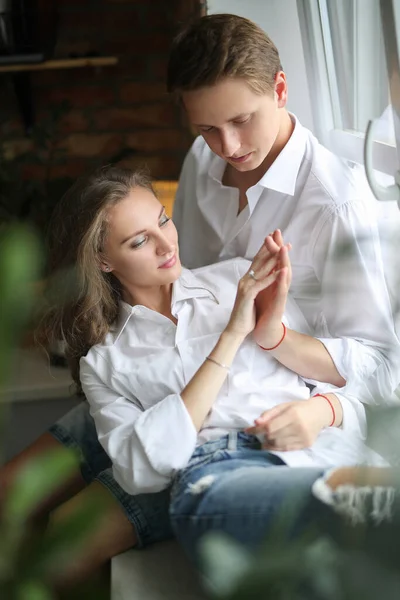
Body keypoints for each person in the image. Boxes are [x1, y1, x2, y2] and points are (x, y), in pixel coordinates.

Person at [1, 12, 398, 582]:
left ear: (281, 89)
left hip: (243, 401)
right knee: (13, 486)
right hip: (157, 369)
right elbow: (172, 276)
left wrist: (281, 346)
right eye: (208, 128)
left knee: (70, 537)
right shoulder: (204, 158)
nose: (228, 146)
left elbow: (384, 368)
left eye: (241, 121)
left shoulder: (338, 206)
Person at [38, 167, 390, 566]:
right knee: (202, 508)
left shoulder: (240, 277)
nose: (165, 245)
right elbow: (141, 470)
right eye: (139, 241)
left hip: (320, 451)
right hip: (217, 474)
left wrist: (320, 404)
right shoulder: (105, 362)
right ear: (103, 260)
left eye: (163, 221)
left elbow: (370, 378)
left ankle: (359, 502)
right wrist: (232, 335)